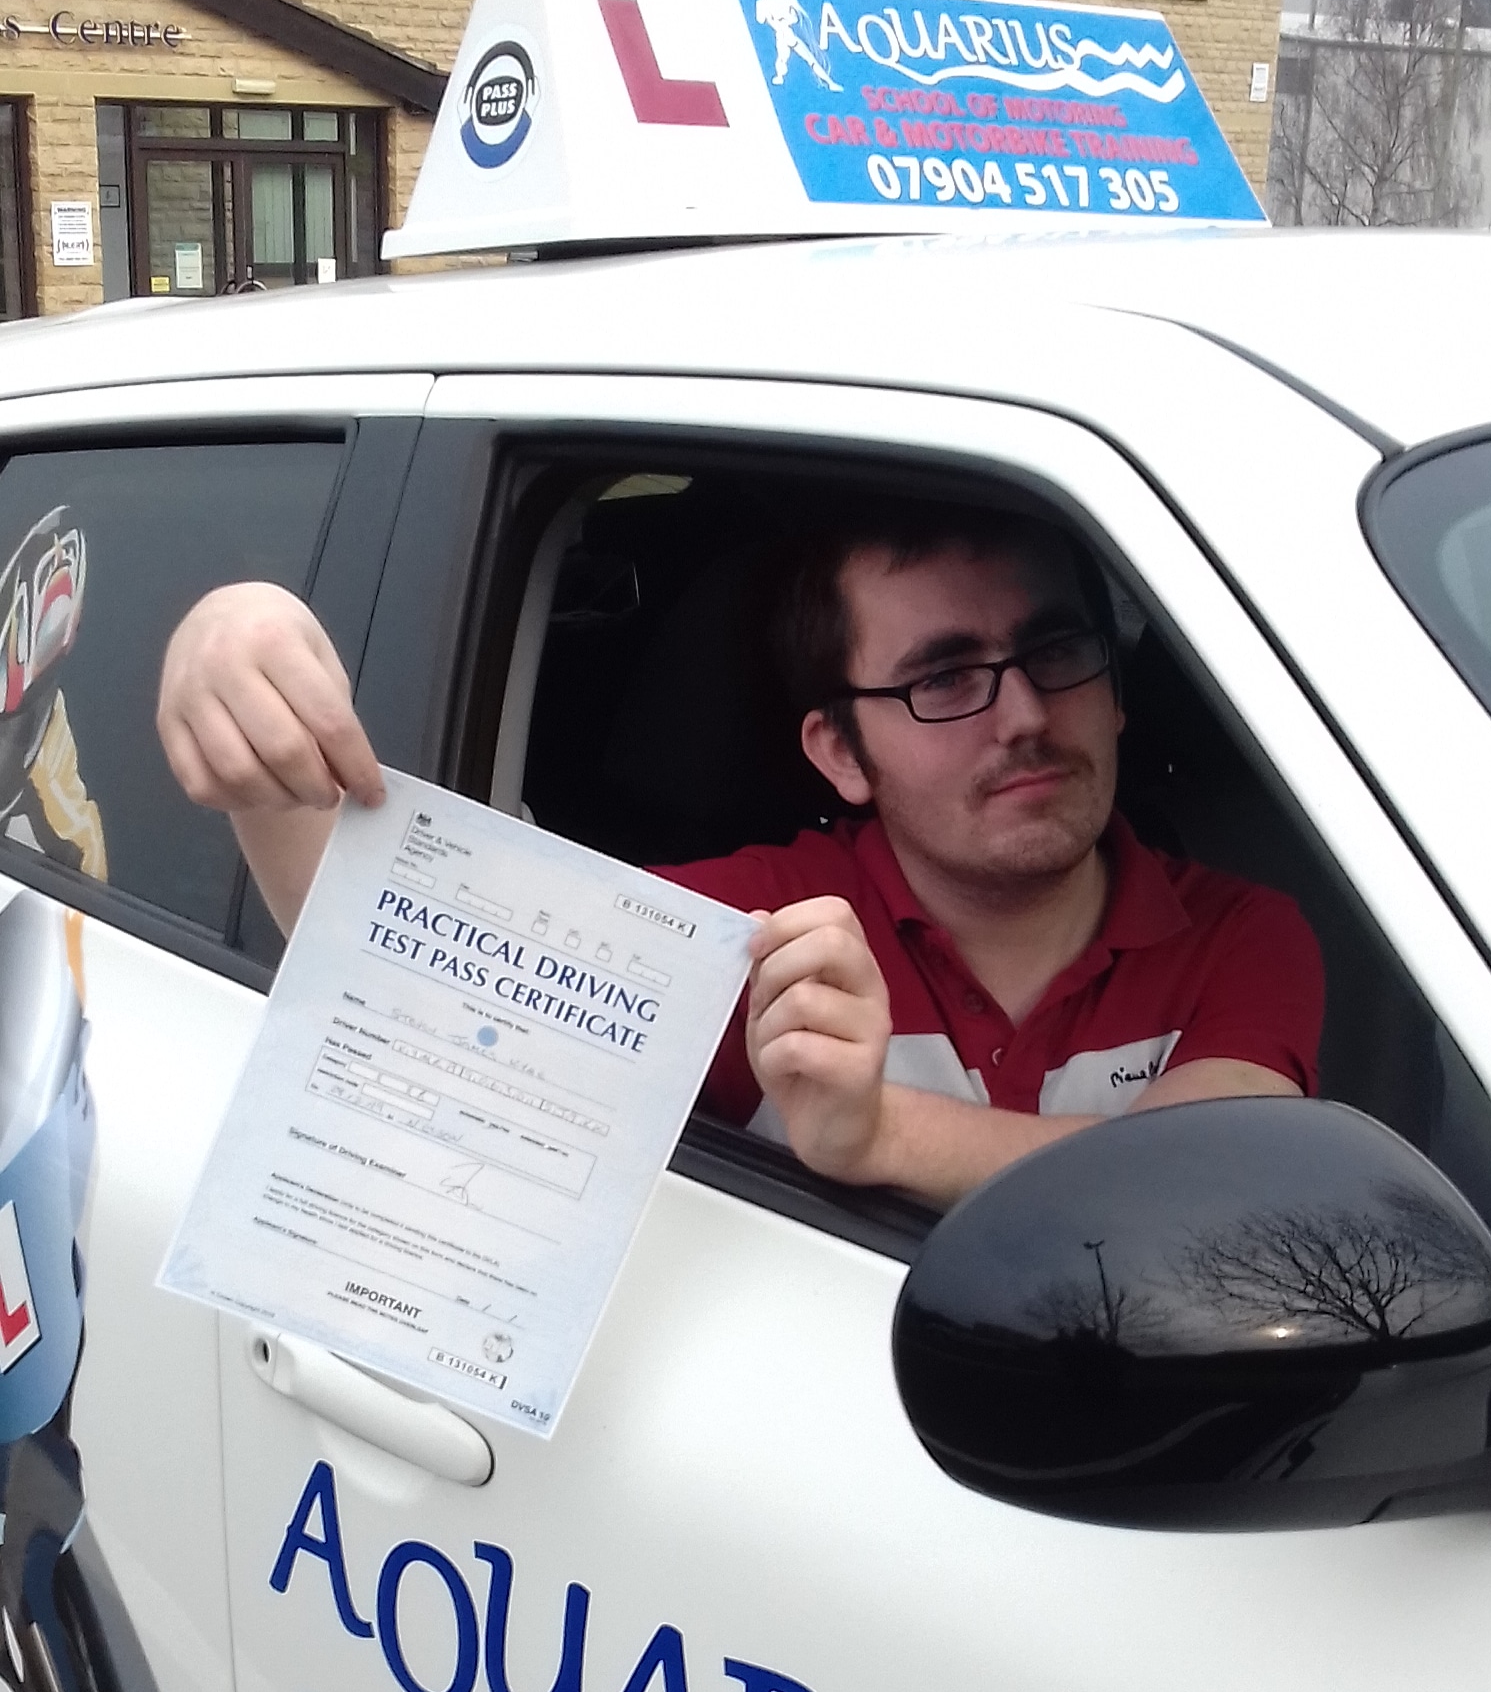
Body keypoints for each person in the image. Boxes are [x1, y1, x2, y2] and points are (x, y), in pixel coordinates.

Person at [157, 505, 1323, 1206]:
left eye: (1056, 652)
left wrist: (877, 1135)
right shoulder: (758, 928)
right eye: (944, 678)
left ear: (1115, 693)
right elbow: (398, 967)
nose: (1022, 715)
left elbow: (1218, 1183)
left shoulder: (1243, 933)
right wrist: (232, 645)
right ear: (841, 753)